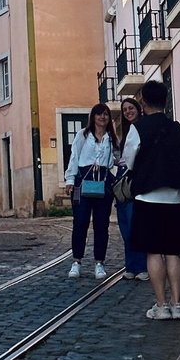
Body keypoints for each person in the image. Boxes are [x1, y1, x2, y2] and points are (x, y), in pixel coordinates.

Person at [122, 79, 180, 320]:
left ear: (143, 102)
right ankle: (177, 304)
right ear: (165, 100)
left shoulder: (137, 129)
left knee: (154, 252)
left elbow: (128, 162)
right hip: (173, 198)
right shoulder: (177, 128)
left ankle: (161, 305)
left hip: (147, 197)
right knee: (173, 252)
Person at [64, 104, 118, 279]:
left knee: (101, 225)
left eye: (105, 115)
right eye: (99, 114)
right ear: (93, 117)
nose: (102, 117)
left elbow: (117, 160)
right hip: (82, 181)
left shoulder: (111, 138)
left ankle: (99, 263)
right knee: (80, 222)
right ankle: (76, 261)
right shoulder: (83, 135)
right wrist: (70, 180)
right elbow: (74, 157)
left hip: (103, 182)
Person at [114, 97, 148, 282]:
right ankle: (130, 266)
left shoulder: (143, 128)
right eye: (125, 110)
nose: (128, 112)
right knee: (125, 228)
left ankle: (142, 266)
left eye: (130, 108)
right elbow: (124, 158)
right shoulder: (125, 132)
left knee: (136, 226)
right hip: (123, 186)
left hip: (135, 185)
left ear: (138, 109)